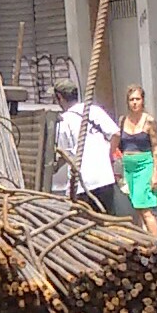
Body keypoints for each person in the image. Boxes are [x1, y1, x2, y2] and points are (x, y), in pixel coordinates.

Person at [52, 80, 120, 214]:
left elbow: (65, 154)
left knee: (86, 226)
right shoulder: (94, 110)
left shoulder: (63, 121)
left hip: (83, 185)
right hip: (105, 178)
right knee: (108, 223)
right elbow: (116, 134)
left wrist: (53, 167)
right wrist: (108, 157)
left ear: (59, 97)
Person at [119, 82, 157, 238]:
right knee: (133, 209)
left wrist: (155, 173)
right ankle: (139, 242)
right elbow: (118, 146)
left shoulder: (149, 121)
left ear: (143, 100)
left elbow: (156, 147)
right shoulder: (122, 121)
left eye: (137, 99)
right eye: (131, 99)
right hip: (128, 169)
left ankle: (156, 242)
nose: (134, 103)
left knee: (144, 208)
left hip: (144, 165)